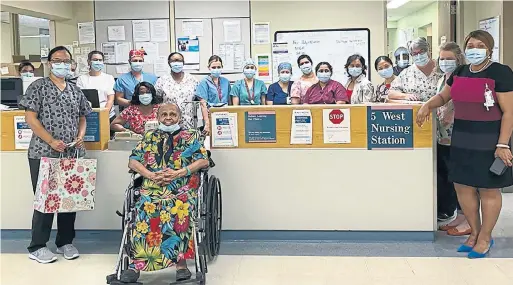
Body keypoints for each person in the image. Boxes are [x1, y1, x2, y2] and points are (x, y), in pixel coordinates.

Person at [417, 30, 513, 258]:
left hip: (490, 140)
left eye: (480, 45)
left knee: (489, 189)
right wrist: (427, 106)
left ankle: (485, 237)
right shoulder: (459, 72)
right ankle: (474, 232)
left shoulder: (501, 72)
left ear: (489, 48)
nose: (474, 49)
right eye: (471, 44)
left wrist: (503, 144)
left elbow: (509, 112)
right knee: (463, 186)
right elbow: (444, 96)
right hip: (461, 138)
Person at [118, 103, 209, 283]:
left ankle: (180, 264)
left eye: (172, 114)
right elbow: (133, 161)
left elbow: (203, 161)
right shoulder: (150, 136)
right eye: (164, 114)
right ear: (158, 117)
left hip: (181, 187)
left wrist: (179, 173)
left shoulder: (191, 136)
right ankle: (136, 264)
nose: (168, 117)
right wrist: (151, 175)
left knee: (177, 209)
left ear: (179, 117)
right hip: (153, 187)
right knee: (143, 209)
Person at [18, 46, 92, 263]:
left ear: (71, 64)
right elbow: (31, 119)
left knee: (69, 199)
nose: (61, 64)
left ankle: (65, 242)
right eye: (57, 60)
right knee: (45, 199)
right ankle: (37, 246)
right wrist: (51, 141)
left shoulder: (74, 89)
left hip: (72, 152)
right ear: (49, 63)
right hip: (44, 152)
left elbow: (83, 116)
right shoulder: (37, 87)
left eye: (66, 60)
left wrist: (80, 136)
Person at [433, 42, 471, 236]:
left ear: (458, 59)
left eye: (450, 59)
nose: (445, 62)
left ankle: (469, 220)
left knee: (463, 180)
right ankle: (458, 217)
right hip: (443, 137)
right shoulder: (444, 78)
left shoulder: (463, 78)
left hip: (459, 136)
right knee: (452, 179)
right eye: (442, 59)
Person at [155, 52, 209, 132]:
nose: (176, 63)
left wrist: (207, 123)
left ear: (183, 63)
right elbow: (156, 104)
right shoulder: (162, 81)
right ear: (169, 63)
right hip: (168, 126)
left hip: (189, 126)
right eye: (174, 60)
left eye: (179, 60)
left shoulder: (192, 80)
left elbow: (202, 102)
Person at [389, 37, 441, 103]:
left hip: (440, 111)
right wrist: (405, 96)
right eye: (415, 54)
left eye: (421, 52)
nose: (419, 56)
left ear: (428, 50)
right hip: (416, 111)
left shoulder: (441, 68)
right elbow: (391, 93)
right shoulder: (407, 73)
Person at [76, 51, 116, 123]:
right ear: (89, 62)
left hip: (107, 115)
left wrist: (104, 114)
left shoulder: (109, 78)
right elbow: (79, 100)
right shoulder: (82, 79)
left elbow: (110, 99)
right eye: (95, 60)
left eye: (100, 60)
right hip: (88, 116)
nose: (98, 62)